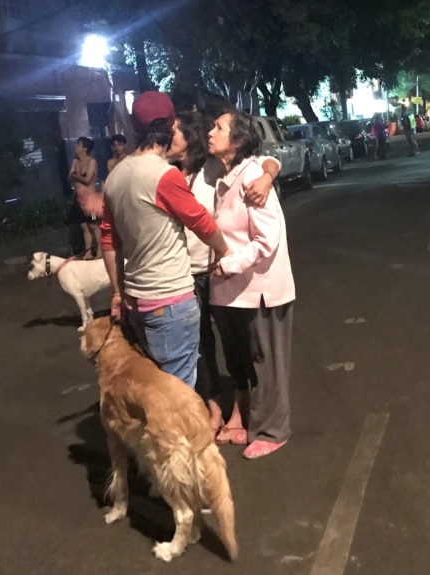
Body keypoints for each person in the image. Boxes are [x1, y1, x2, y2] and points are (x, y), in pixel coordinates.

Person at [99, 91, 230, 390]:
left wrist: (118, 292)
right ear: (171, 126)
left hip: (137, 301)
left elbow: (109, 239)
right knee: (177, 395)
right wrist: (224, 251)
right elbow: (200, 221)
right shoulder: (164, 176)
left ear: (133, 128)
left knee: (155, 389)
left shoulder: (115, 177)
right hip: (170, 300)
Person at [166, 111, 281, 442]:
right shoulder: (166, 175)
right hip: (182, 274)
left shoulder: (214, 169)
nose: (167, 137)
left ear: (191, 136)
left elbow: (265, 159)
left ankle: (240, 409)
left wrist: (267, 177)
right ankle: (215, 406)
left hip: (215, 271)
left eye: (174, 131)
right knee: (200, 346)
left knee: (239, 346)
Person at [207, 110, 297, 460]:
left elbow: (266, 240)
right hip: (230, 291)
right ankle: (249, 419)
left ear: (239, 140)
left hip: (259, 289)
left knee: (266, 362)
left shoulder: (253, 179)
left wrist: (228, 264)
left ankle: (273, 430)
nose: (212, 133)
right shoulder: (222, 175)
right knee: (242, 360)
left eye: (219, 128)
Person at [68, 136, 102, 259]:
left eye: (78, 145)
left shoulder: (91, 161)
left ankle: (99, 251)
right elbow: (69, 177)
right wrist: (75, 176)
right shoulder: (75, 162)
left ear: (85, 148)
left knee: (93, 225)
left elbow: (87, 180)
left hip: (90, 201)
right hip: (79, 200)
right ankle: (88, 251)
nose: (75, 147)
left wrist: (75, 176)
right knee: (84, 227)